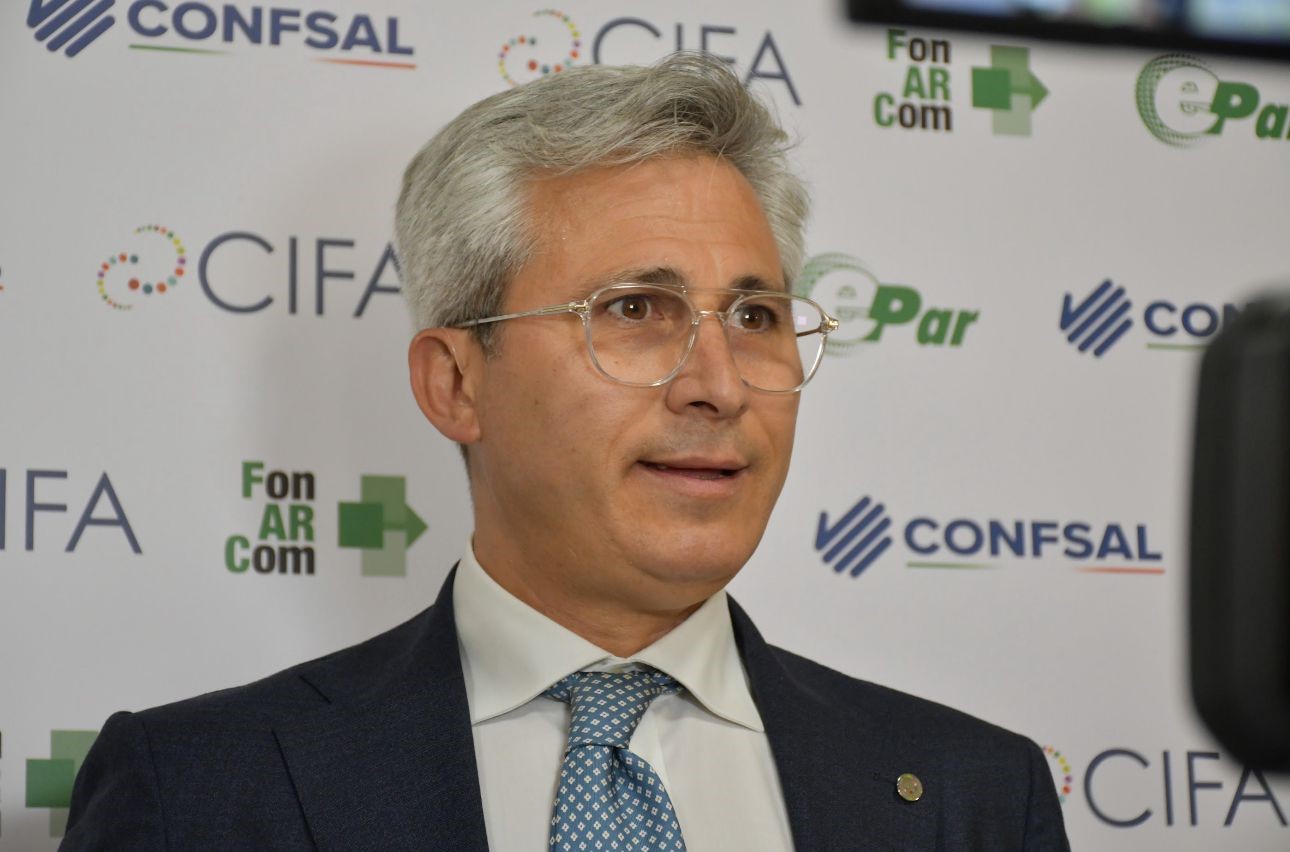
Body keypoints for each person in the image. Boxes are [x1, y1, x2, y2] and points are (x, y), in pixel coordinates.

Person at [63, 53, 1069, 851]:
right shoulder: (200, 786)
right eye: (634, 310)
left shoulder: (972, 792)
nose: (720, 386)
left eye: (755, 315)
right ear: (456, 383)